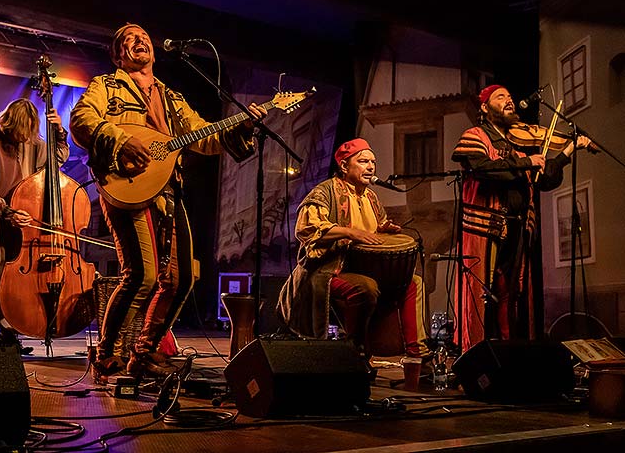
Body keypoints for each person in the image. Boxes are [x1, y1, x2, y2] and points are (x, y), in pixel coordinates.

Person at [69, 23, 266, 381]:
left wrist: (242, 125)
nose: (138, 40)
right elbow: (82, 120)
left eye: (143, 37)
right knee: (140, 275)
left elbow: (204, 137)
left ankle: (145, 353)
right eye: (128, 39)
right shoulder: (106, 85)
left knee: (182, 278)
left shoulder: (171, 97)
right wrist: (120, 141)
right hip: (124, 185)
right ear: (118, 55)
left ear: (154, 51)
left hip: (166, 189)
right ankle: (108, 356)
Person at [452, 84, 592, 351]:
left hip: (516, 227)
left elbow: (545, 178)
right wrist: (527, 163)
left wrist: (569, 150)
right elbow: (483, 168)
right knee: (482, 290)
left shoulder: (517, 148)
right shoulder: (476, 135)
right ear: (484, 107)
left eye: (510, 96)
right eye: (501, 97)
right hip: (486, 226)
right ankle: (477, 351)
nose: (510, 101)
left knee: (510, 292)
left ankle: (508, 349)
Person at [277, 138, 429, 360]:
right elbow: (306, 229)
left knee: (414, 282)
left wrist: (385, 229)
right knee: (365, 288)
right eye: (363, 161)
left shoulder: (371, 197)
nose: (370, 167)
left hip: (364, 267)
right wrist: (349, 232)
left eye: (373, 162)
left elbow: (373, 231)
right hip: (328, 270)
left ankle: (417, 353)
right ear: (344, 165)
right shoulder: (325, 192)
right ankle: (355, 351)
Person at [0, 98, 69, 351]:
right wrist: (5, 211)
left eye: (29, 133)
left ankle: (9, 334)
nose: (24, 139)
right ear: (10, 125)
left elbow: (57, 161)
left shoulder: (32, 141)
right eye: (20, 133)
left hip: (20, 218)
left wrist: (59, 133)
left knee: (12, 277)